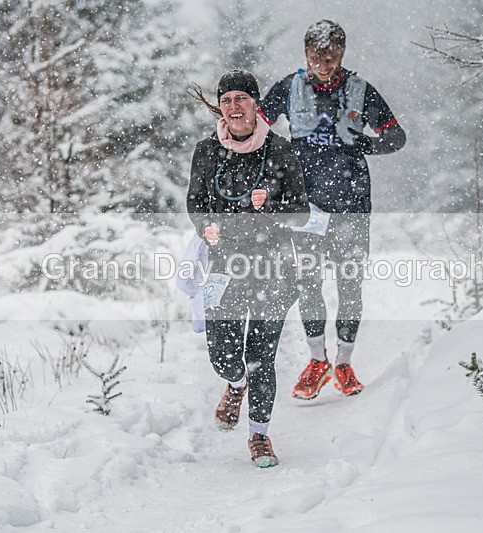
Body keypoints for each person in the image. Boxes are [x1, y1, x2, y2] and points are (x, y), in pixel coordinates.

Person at [259, 20, 406, 400]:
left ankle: (344, 362)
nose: (322, 66)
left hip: (351, 207)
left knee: (349, 285)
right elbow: (257, 129)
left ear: (342, 54)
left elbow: (396, 136)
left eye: (330, 58)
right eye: (315, 58)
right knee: (309, 284)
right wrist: (277, 158)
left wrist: (363, 144)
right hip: (305, 208)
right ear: (304, 55)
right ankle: (316, 361)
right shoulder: (288, 89)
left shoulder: (360, 91)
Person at [187, 69, 310, 467]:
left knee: (262, 354)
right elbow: (195, 203)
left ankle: (259, 435)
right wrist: (204, 226)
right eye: (227, 100)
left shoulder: (280, 151)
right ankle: (235, 383)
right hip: (224, 266)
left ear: (255, 104)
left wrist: (270, 206)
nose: (234, 106)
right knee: (222, 353)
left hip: (272, 267)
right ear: (219, 107)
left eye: (242, 98)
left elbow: (301, 213)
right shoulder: (207, 152)